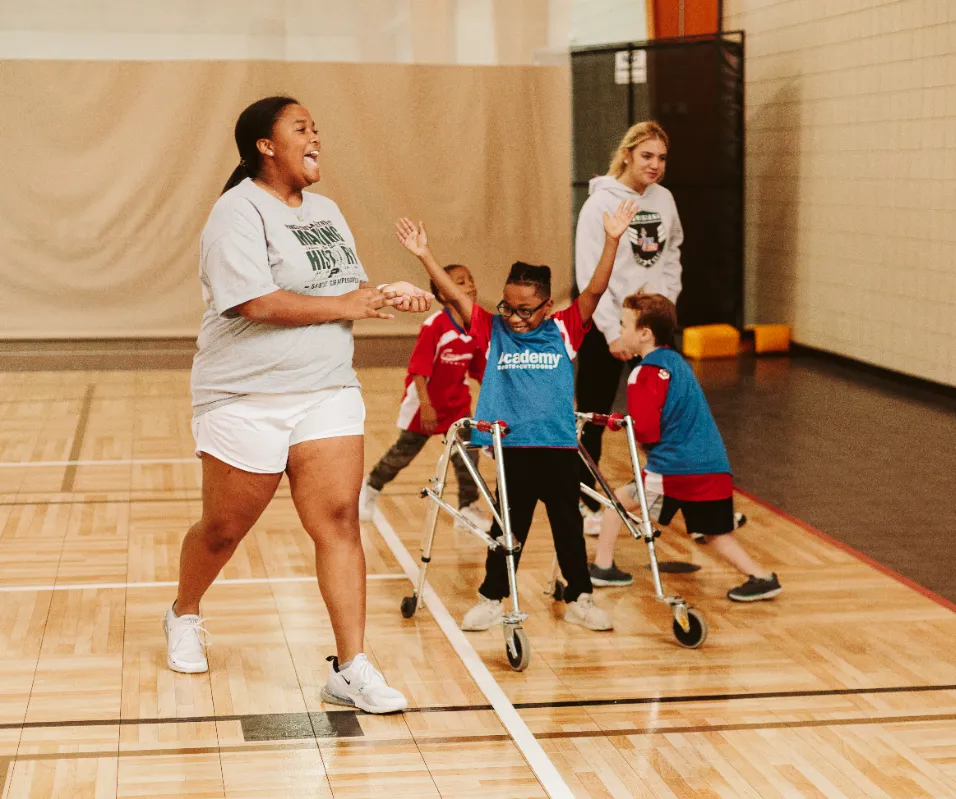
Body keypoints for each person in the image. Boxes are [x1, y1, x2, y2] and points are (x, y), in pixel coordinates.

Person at [167, 96, 433, 715]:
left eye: (317, 128)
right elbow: (251, 302)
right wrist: (350, 306)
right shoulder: (236, 212)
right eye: (301, 129)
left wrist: (386, 292)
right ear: (266, 145)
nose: (316, 138)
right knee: (224, 531)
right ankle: (184, 611)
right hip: (245, 395)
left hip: (326, 389)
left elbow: (342, 290)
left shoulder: (327, 211)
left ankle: (352, 665)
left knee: (338, 522)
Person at [392, 199, 638, 632]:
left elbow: (596, 290)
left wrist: (612, 240)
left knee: (568, 527)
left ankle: (580, 596)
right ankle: (491, 597)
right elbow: (452, 294)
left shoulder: (565, 328)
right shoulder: (493, 330)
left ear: (547, 305)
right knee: (508, 530)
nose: (516, 316)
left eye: (526, 309)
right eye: (508, 306)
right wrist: (423, 255)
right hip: (511, 452)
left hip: (559, 447)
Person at [588, 294, 782, 602]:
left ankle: (602, 567)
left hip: (674, 469)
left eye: (624, 325)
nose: (620, 330)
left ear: (644, 333)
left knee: (614, 506)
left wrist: (621, 424)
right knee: (718, 534)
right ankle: (762, 577)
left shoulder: (643, 373)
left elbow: (647, 429)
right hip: (713, 465)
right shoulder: (678, 363)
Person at [575, 121, 682, 535]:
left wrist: (666, 306)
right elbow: (588, 271)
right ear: (627, 155)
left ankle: (669, 496)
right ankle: (587, 500)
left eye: (661, 158)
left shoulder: (665, 200)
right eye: (647, 156)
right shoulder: (600, 203)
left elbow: (671, 253)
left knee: (666, 411)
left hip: (652, 329)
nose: (655, 165)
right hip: (610, 328)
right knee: (596, 413)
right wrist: (609, 330)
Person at [359, 264, 490, 530]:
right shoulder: (435, 326)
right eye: (461, 282)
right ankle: (370, 487)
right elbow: (418, 371)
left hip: (457, 406)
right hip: (424, 404)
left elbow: (479, 370)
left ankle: (467, 507)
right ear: (444, 293)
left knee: (467, 456)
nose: (471, 285)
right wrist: (427, 406)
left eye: (470, 279)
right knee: (402, 455)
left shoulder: (476, 325)